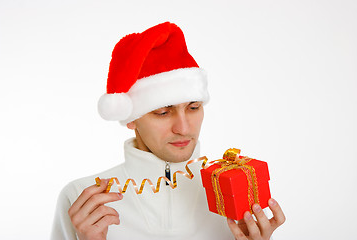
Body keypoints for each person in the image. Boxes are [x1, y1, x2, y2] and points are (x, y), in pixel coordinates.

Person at [51, 22, 285, 240]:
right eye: (163, 112)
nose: (183, 128)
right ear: (131, 119)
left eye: (193, 107)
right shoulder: (83, 200)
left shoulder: (236, 196)